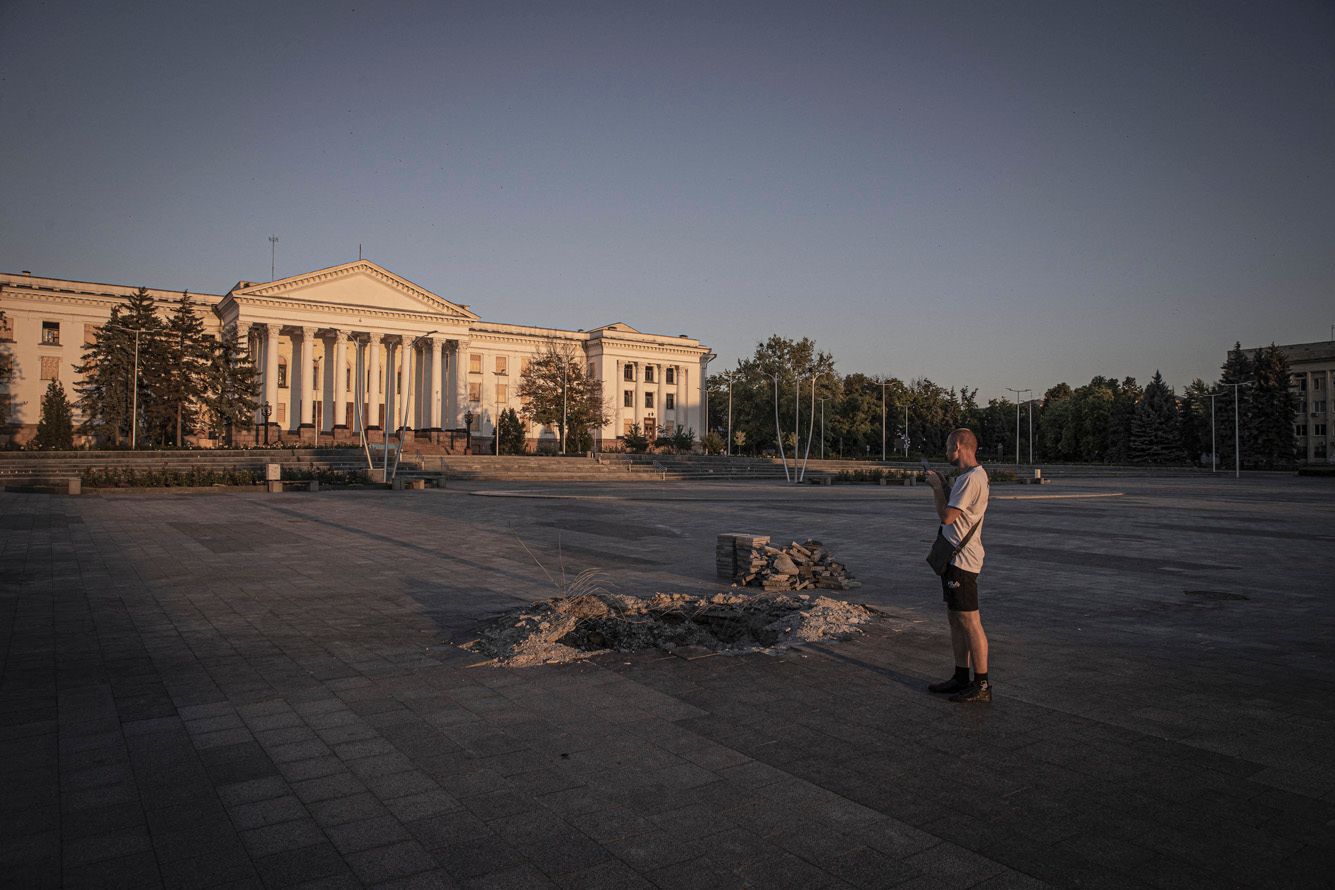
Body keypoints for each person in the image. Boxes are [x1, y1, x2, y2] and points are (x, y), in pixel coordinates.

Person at [923, 428, 991, 703]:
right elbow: (959, 508)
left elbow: (947, 516)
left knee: (970, 621)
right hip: (954, 559)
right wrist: (945, 486)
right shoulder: (970, 476)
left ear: (960, 446)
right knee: (956, 618)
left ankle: (982, 684)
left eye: (948, 445)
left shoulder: (971, 478)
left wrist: (937, 489)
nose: (946, 450)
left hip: (963, 561)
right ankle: (961, 676)